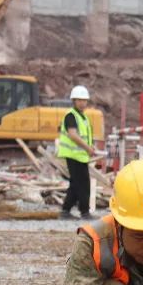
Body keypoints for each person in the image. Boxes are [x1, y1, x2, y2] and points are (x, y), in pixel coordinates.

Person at [58, 85, 96, 219]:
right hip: (74, 155)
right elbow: (73, 135)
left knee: (76, 184)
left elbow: (84, 136)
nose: (82, 103)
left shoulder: (82, 117)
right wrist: (88, 148)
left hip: (80, 156)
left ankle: (65, 210)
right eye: (79, 100)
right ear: (74, 101)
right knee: (83, 184)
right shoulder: (71, 116)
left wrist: (90, 147)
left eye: (84, 100)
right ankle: (84, 211)